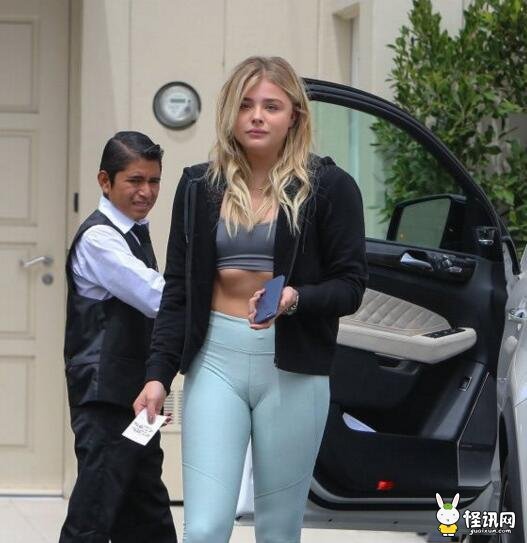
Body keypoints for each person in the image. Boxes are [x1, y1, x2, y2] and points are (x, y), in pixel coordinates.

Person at [134, 56, 368, 543]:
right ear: (230, 114)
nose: (257, 116)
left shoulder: (330, 187)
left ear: (294, 116)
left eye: (271, 106)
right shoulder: (198, 186)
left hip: (293, 369)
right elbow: (178, 290)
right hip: (214, 361)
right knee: (204, 528)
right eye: (245, 105)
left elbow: (350, 287)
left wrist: (294, 297)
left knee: (278, 531)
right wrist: (157, 375)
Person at [60, 131, 177, 543]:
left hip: (138, 398)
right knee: (94, 514)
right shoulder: (100, 238)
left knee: (146, 510)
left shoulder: (135, 231)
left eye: (154, 180)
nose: (147, 191)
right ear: (105, 181)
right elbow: (156, 296)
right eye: (135, 180)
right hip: (105, 399)